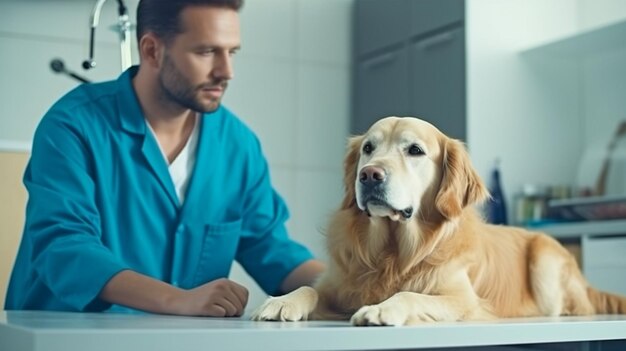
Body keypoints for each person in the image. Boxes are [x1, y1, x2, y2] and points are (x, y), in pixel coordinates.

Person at [5, 0, 324, 317]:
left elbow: (271, 248)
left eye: (232, 52)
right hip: (60, 338)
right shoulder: (72, 126)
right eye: (206, 52)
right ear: (152, 50)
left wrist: (357, 286)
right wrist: (178, 299)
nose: (226, 71)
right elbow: (64, 247)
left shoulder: (238, 145)